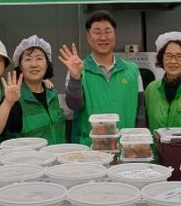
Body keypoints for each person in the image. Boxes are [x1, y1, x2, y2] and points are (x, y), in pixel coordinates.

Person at [60, 10, 146, 145]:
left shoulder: (132, 70)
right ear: (88, 37)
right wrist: (75, 77)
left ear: (114, 34)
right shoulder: (77, 69)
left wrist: (139, 141)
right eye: (97, 32)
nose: (103, 37)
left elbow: (140, 110)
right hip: (90, 147)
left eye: (107, 31)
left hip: (125, 145)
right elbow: (74, 106)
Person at [0, 35, 65, 144]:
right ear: (20, 66)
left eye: (39, 58)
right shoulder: (14, 97)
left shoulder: (52, 94)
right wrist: (8, 103)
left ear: (47, 64)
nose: (34, 64)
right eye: (28, 59)